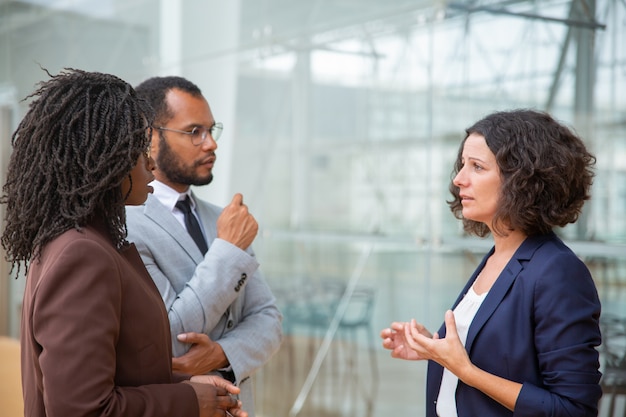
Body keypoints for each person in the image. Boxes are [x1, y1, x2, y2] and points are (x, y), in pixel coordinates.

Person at [0, 68, 247, 417]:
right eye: (137, 150)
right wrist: (191, 402)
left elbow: (124, 373)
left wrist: (187, 386)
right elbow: (81, 409)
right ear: (101, 159)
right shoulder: (82, 255)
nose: (149, 163)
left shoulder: (84, 243)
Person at [380, 109, 602, 417]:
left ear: (522, 180)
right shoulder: (498, 257)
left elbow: (572, 409)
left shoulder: (557, 271)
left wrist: (466, 370)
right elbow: (504, 356)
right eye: (461, 165)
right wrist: (433, 349)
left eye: (477, 167)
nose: (459, 179)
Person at [126, 76, 282, 417]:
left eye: (212, 130)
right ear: (148, 137)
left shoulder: (222, 219)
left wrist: (222, 354)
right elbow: (167, 338)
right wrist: (228, 250)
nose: (210, 144)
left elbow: (269, 320)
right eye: (194, 131)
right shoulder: (125, 224)